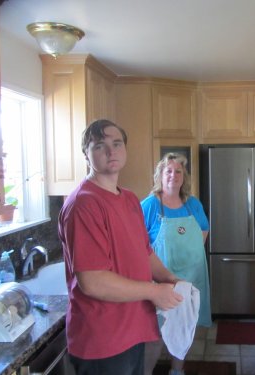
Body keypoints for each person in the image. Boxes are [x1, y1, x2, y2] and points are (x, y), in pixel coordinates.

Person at [58, 120, 183, 375]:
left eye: (116, 144)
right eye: (99, 146)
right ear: (86, 154)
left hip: (132, 328)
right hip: (102, 340)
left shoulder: (128, 198)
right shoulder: (83, 205)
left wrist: (169, 279)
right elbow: (93, 282)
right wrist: (154, 291)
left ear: (125, 149)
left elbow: (144, 252)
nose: (110, 152)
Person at [141, 153, 212, 375]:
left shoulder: (193, 204)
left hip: (190, 279)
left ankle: (176, 371)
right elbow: (137, 244)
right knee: (156, 334)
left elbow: (203, 231)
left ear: (184, 177)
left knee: (186, 327)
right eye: (168, 171)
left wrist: (187, 259)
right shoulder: (150, 205)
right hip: (161, 281)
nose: (173, 175)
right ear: (160, 175)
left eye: (178, 171)